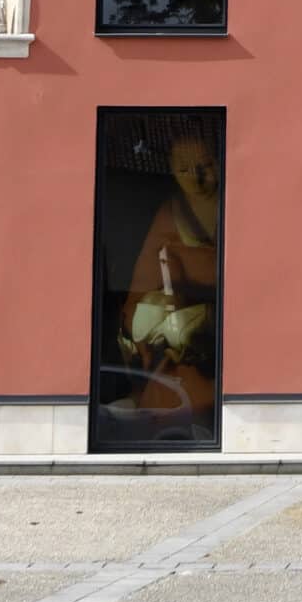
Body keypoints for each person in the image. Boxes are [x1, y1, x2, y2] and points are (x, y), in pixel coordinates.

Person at [113, 133, 219, 429]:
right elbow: (142, 288)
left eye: (205, 164)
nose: (196, 177)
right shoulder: (170, 215)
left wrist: (208, 317)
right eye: (184, 170)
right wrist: (150, 312)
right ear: (172, 172)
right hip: (176, 344)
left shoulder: (237, 206)